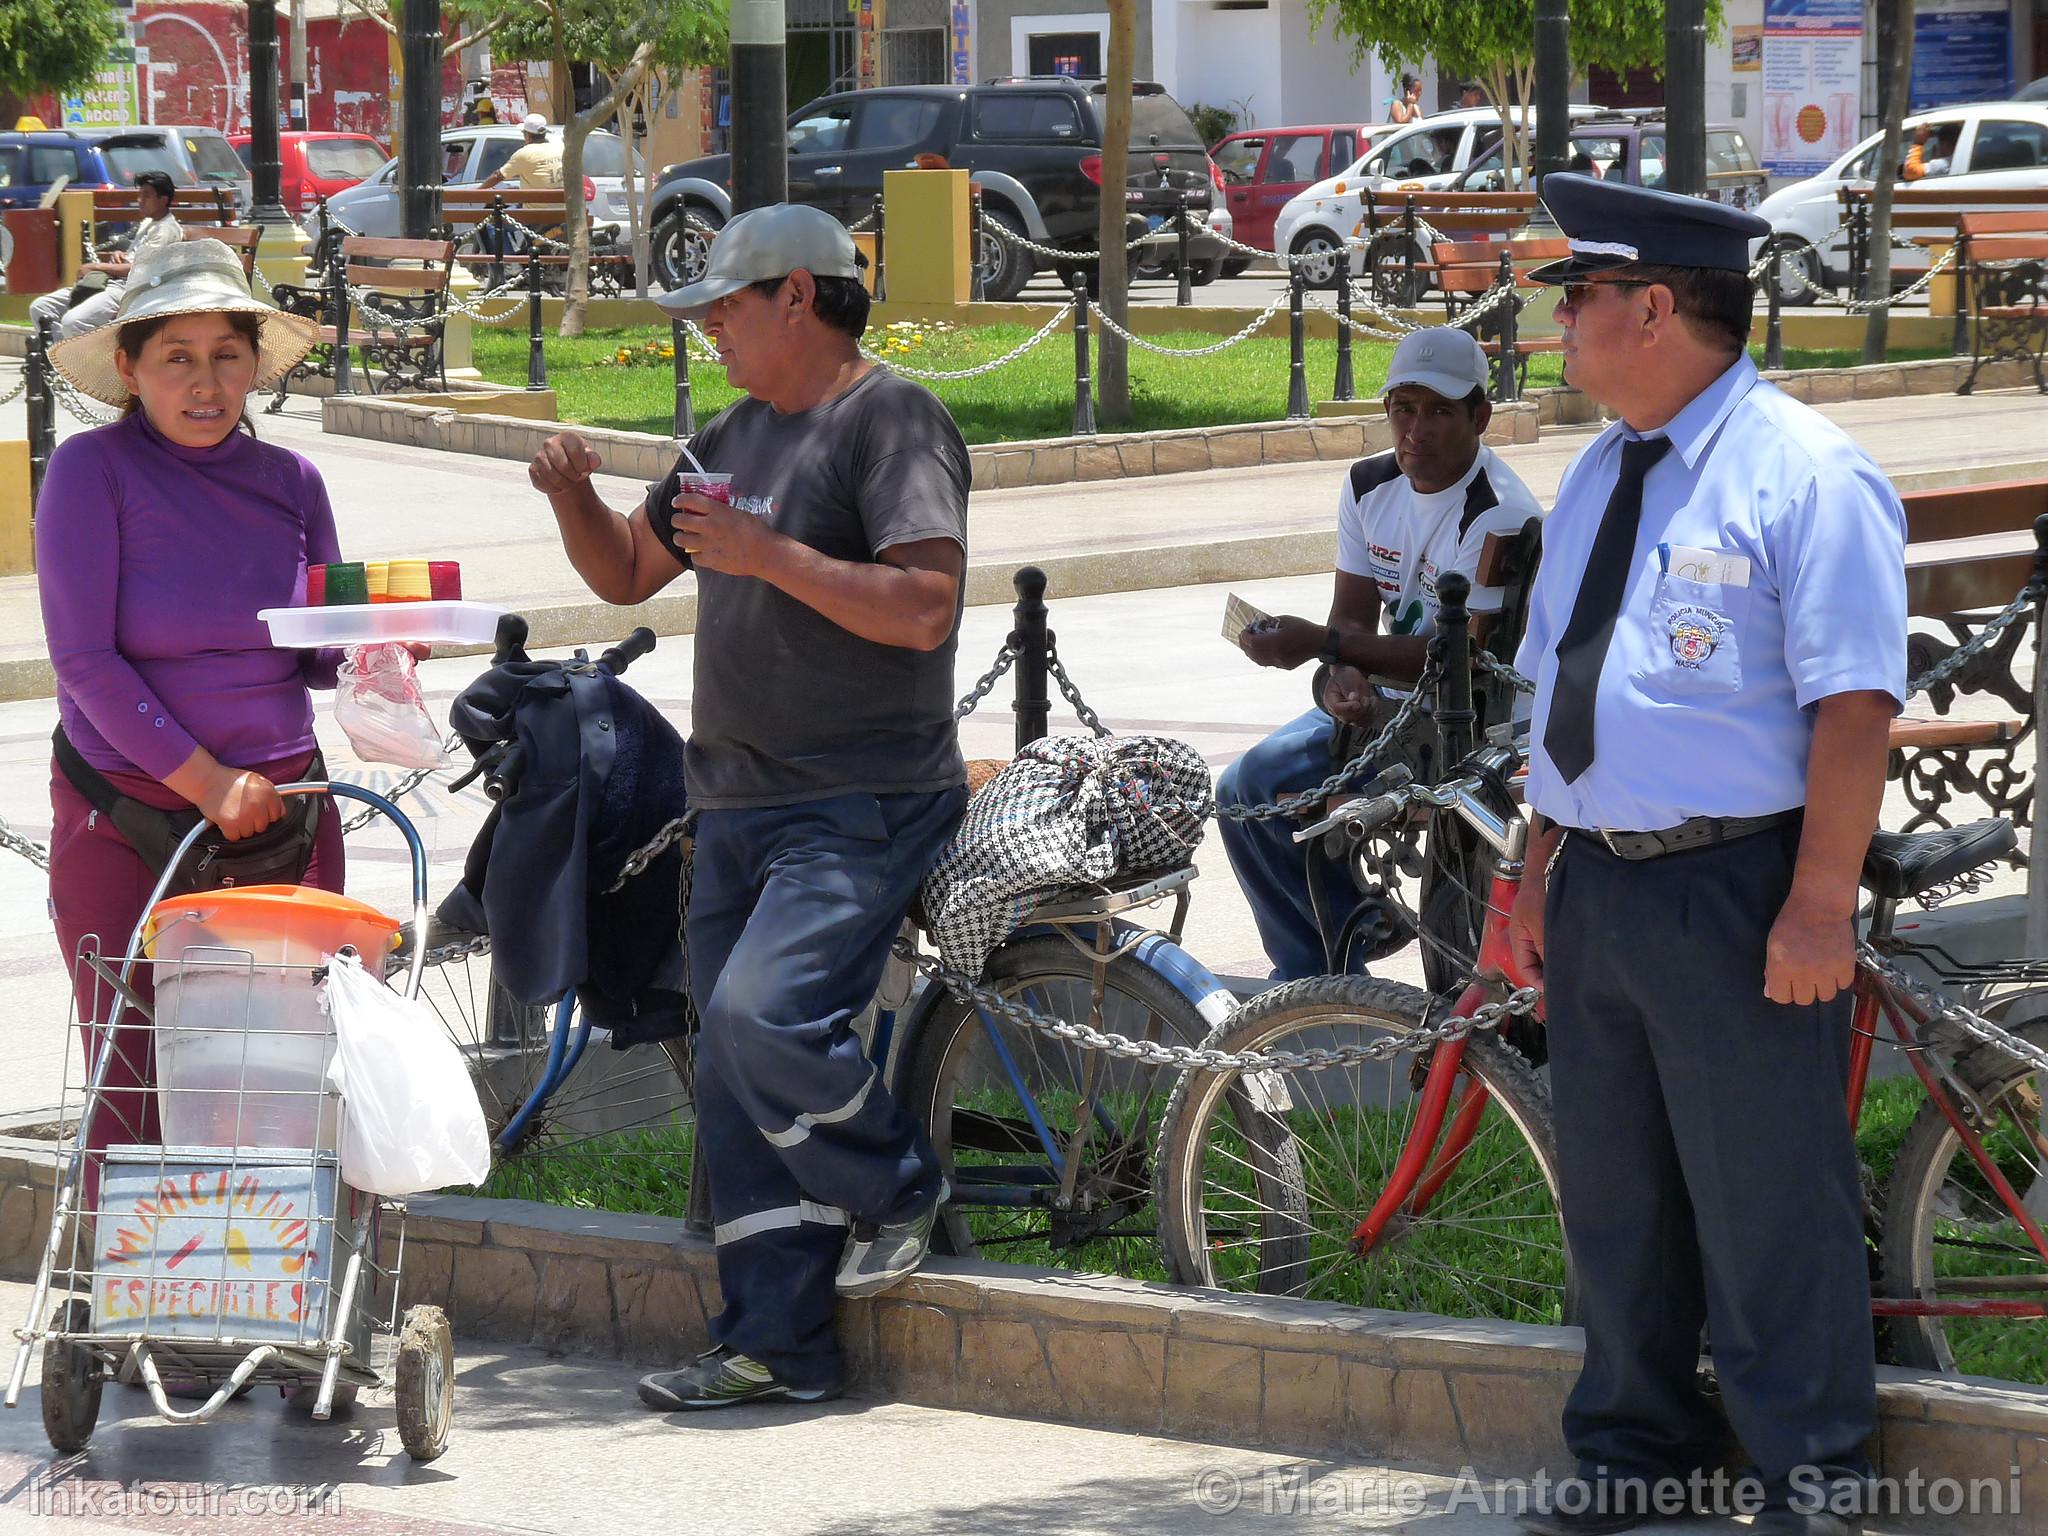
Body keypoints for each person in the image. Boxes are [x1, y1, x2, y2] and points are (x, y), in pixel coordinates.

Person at [1505, 175, 1901, 1536]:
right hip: (1602, 881)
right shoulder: (1603, 471)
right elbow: (1561, 685)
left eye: (1578, 299)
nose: (1559, 325)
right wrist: (1532, 868)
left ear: (1654, 308)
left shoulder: (1806, 472)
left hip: (1740, 883)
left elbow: (1854, 707)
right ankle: (1635, 1451)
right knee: (1618, 1200)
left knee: (1765, 1200)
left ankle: (1817, 1475)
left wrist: (1817, 907)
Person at [524, 205, 968, 1412]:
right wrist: (570, 496)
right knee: (726, 1062)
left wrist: (768, 556)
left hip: (860, 799)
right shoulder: (726, 433)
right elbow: (628, 569)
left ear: (800, 298)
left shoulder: (891, 419)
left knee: (763, 1021)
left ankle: (897, 1182)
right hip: (735, 804)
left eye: (727, 302)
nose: (709, 324)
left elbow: (926, 607)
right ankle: (778, 1344)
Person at [37, 239, 339, 1209]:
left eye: (227, 354)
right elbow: (83, 662)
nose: (206, 383)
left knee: (280, 1078)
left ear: (256, 361)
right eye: (177, 355)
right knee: (133, 1083)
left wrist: (380, 651)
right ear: (128, 366)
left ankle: (276, 1334)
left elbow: (319, 653)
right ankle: (131, 1325)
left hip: (287, 818)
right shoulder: (90, 473)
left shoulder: (295, 483)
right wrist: (208, 783)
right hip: (127, 816)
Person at [1216, 326, 1543, 981]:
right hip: (1394, 706)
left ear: (1480, 416)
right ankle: (1319, 972)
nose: (1416, 428)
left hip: (1476, 720)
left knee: (1271, 791)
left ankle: (1346, 946)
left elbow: (1457, 660)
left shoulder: (1497, 511)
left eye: (1441, 411)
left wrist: (1320, 644)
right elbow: (1354, 614)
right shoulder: (1369, 485)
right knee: (1242, 791)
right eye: (1403, 408)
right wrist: (1343, 675)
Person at [31, 170, 183, 343]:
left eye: (146, 195)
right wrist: (121, 254)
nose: (139, 200)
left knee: (74, 322)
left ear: (163, 200)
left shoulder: (166, 230)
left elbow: (142, 270)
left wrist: (96, 267)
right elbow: (138, 257)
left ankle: (85, 366)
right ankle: (60, 363)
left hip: (129, 291)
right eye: (139, 194)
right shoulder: (149, 223)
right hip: (111, 283)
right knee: (41, 307)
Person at [481, 112, 565, 192]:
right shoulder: (559, 148)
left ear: (526, 134)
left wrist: (477, 192)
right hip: (563, 205)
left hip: (537, 206)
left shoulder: (525, 154)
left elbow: (497, 176)